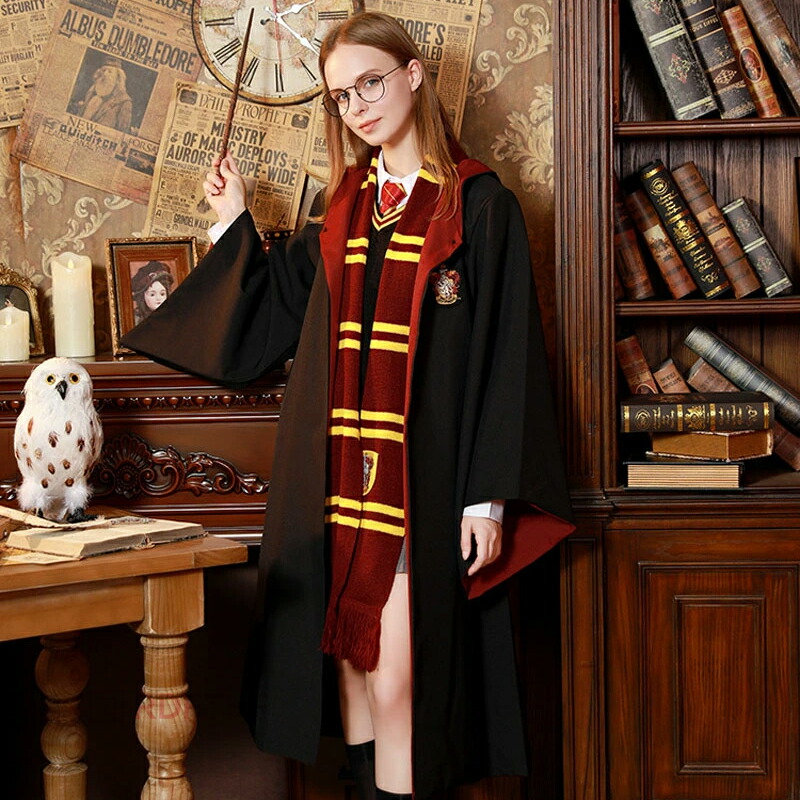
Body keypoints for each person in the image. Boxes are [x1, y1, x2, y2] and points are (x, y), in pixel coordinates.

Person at [122, 11, 574, 800]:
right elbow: (272, 309)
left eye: (370, 82)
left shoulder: (476, 207)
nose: (357, 106)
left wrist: (487, 499)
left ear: (413, 75)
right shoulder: (346, 211)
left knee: (400, 681)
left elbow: (507, 355)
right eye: (340, 96)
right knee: (354, 679)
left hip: (419, 486)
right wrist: (232, 219)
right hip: (335, 487)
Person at [75, 56, 132, 133]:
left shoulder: (124, 102)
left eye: (110, 72)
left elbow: (122, 132)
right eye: (103, 70)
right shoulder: (91, 94)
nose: (105, 74)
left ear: (118, 78)